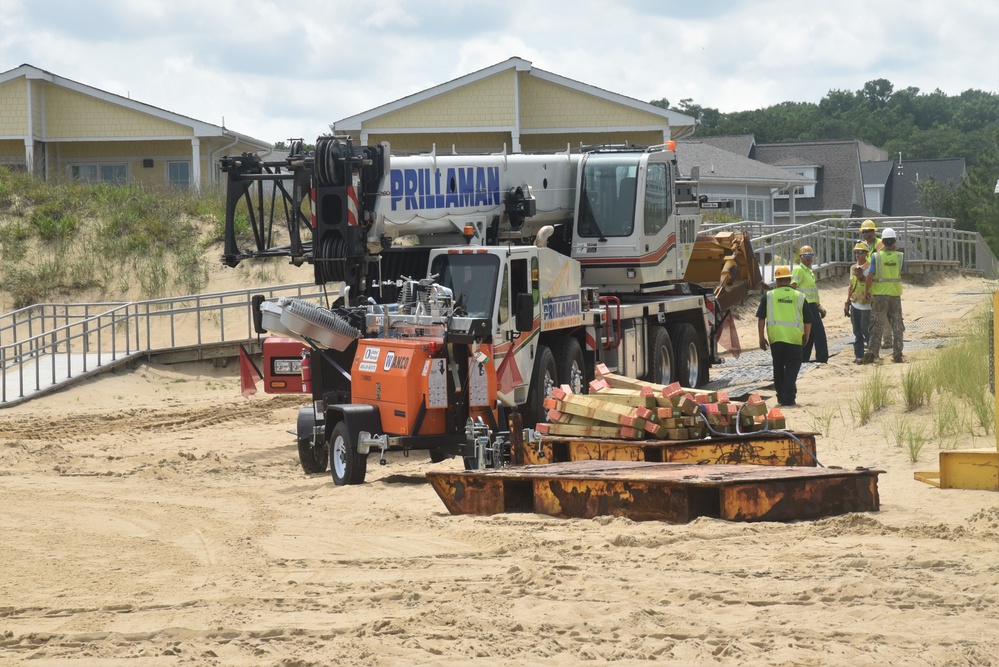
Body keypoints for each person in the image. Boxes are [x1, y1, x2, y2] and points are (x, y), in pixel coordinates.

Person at [758, 266, 813, 407]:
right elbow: (808, 320)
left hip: (775, 338)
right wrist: (806, 336)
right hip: (794, 339)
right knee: (792, 367)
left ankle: (781, 397)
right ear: (789, 280)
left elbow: (761, 318)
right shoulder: (799, 296)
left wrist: (761, 337)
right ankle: (788, 398)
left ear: (776, 281)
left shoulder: (769, 296)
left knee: (778, 367)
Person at [862, 227, 905, 364]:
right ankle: (898, 353)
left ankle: (872, 353)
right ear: (894, 242)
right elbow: (901, 271)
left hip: (880, 295)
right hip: (895, 295)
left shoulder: (876, 256)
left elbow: (870, 276)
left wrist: (866, 291)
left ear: (883, 242)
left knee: (876, 325)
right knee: (897, 325)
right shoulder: (900, 256)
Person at [790, 245, 828, 363]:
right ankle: (822, 358)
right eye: (805, 256)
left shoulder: (809, 272)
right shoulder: (799, 270)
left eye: (810, 255)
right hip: (805, 306)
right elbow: (793, 287)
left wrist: (818, 306)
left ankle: (803, 358)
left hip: (812, 306)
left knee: (810, 334)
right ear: (801, 257)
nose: (808, 258)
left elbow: (810, 291)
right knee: (819, 333)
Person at [860, 219, 892, 350]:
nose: (867, 234)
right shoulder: (863, 246)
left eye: (869, 231)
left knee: (883, 314)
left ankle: (888, 340)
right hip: (870, 283)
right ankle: (873, 340)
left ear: (874, 232)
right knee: (872, 315)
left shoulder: (880, 244)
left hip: (881, 283)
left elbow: (878, 261)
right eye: (865, 231)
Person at [844, 242, 872, 364]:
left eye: (860, 252)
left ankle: (872, 353)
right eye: (856, 252)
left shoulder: (870, 267)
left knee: (866, 330)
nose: (857, 254)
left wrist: (862, 277)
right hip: (855, 304)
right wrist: (847, 302)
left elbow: (871, 285)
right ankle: (859, 355)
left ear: (866, 253)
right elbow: (851, 286)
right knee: (857, 331)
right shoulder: (853, 268)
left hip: (866, 305)